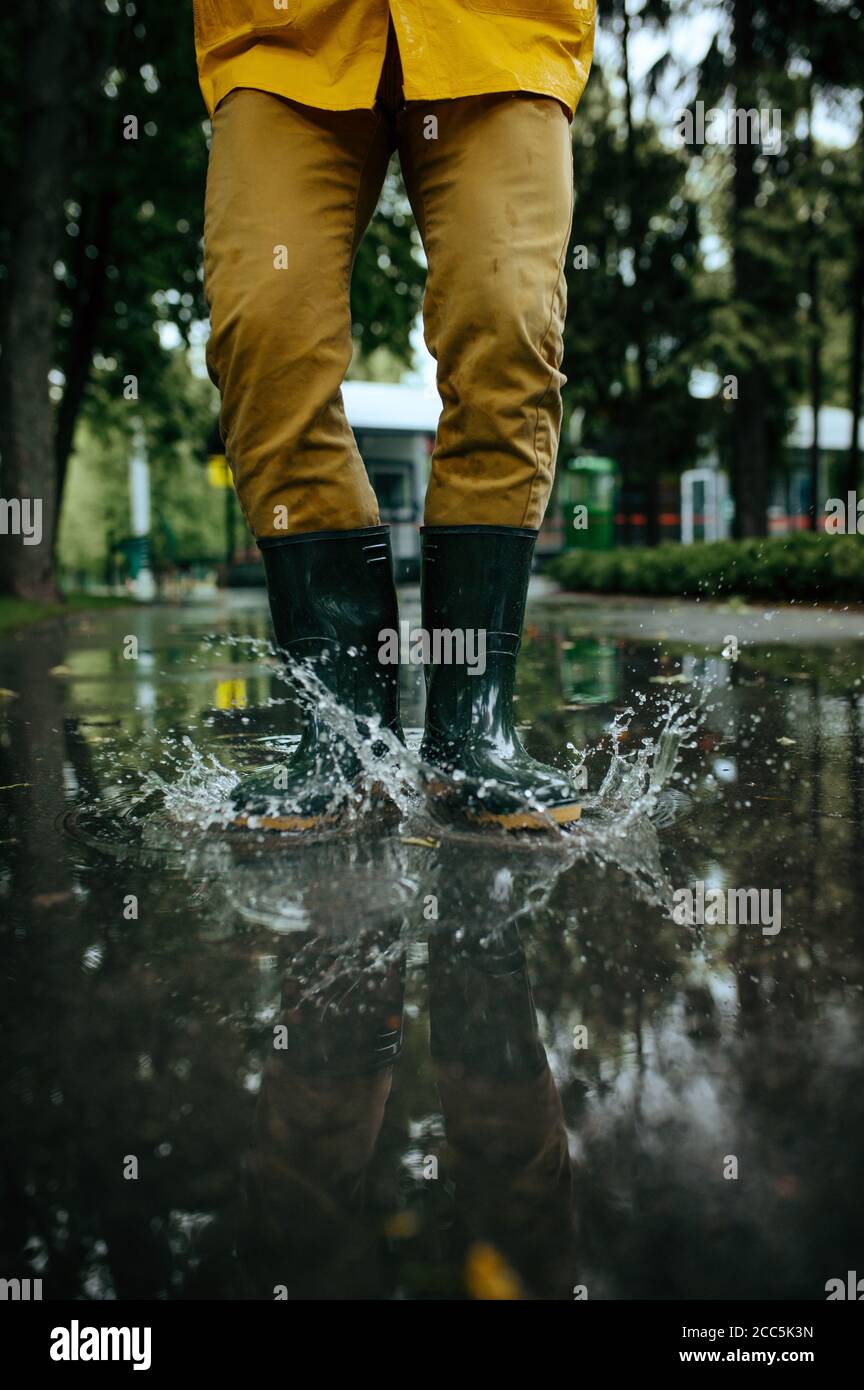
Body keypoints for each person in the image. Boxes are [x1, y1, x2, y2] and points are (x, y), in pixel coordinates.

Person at [194, 1, 596, 831]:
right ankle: (346, 730)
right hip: (283, 35)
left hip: (499, 30)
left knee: (506, 316)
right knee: (263, 329)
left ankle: (470, 727)